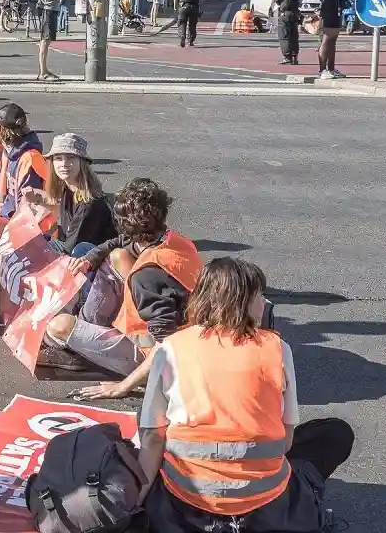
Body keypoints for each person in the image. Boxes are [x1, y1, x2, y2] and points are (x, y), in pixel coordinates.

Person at [139, 257, 355, 533]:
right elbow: (285, 440)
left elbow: (153, 438)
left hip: (186, 501)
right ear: (241, 302)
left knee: (150, 423)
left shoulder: (171, 347)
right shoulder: (276, 348)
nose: (264, 303)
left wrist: (138, 499)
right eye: (259, 295)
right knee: (335, 433)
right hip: (263, 503)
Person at [47, 178, 200, 394]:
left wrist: (122, 387)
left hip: (163, 361)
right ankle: (86, 327)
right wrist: (89, 259)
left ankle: (77, 348)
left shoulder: (147, 277)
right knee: (118, 256)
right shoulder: (174, 241)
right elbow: (118, 243)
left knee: (58, 326)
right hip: (190, 338)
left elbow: (166, 344)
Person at [22, 134, 116, 259]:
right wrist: (36, 200)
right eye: (58, 158)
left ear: (82, 162)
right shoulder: (68, 188)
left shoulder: (89, 204)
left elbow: (70, 251)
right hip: (76, 250)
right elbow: (55, 204)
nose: (64, 163)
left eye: (71, 157)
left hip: (96, 262)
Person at [34, 0, 65, 80]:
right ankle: (43, 73)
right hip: (48, 8)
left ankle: (44, 70)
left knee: (45, 40)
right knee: (45, 40)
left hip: (49, 8)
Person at [271, 0, 304, 65]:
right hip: (295, 12)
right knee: (294, 35)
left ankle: (287, 56)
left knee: (284, 35)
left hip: (285, 13)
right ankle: (295, 56)